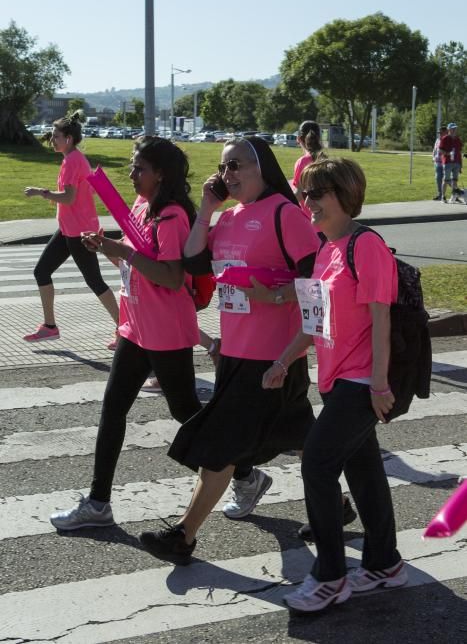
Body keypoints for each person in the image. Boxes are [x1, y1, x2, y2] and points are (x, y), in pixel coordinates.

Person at [138, 136, 320, 564]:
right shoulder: (232, 217)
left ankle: (183, 536)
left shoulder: (285, 214)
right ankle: (339, 503)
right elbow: (195, 262)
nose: (228, 175)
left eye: (237, 166)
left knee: (220, 445)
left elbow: (316, 285)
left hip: (275, 356)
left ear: (263, 169)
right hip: (237, 351)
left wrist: (277, 300)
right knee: (301, 438)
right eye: (223, 168)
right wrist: (206, 208)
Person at [263, 157, 407, 614]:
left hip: (362, 382)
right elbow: (314, 320)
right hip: (334, 378)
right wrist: (283, 361)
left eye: (317, 194)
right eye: (304, 193)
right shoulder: (326, 250)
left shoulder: (366, 246)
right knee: (364, 471)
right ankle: (384, 563)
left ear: (345, 196)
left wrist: (380, 385)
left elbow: (381, 317)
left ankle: (330, 576)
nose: (308, 203)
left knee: (318, 465)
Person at [49, 137, 202, 530]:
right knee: (113, 409)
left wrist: (126, 253)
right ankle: (98, 502)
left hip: (166, 331)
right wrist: (107, 246)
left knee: (185, 412)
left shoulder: (171, 216)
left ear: (161, 174)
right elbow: (136, 252)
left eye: (139, 168)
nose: (132, 174)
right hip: (135, 326)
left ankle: (244, 473)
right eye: (133, 167)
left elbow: (170, 276)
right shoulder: (141, 205)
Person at [23, 113, 119, 345]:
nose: (52, 140)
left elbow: (68, 197)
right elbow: (86, 191)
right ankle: (49, 326)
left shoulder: (72, 161)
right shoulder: (75, 159)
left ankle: (125, 329)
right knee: (41, 272)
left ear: (68, 138)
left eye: (56, 136)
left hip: (80, 232)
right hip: (69, 228)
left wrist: (40, 192)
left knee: (95, 281)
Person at [291, 120, 323, 218]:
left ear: (298, 139)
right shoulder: (325, 158)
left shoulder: (303, 162)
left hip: (310, 220)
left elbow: (299, 194)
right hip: (328, 221)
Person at [439, 122, 463, 203]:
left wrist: (460, 164)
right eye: (452, 128)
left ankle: (454, 196)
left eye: (455, 128)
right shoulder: (445, 138)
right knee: (446, 179)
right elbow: (440, 150)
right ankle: (443, 197)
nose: (454, 130)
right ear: (449, 129)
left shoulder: (458, 139)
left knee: (455, 180)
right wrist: (448, 153)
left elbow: (459, 152)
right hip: (447, 162)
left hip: (456, 162)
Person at [432, 125, 448, 200]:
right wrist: (433, 157)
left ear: (446, 132)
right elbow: (434, 150)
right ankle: (440, 194)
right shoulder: (438, 140)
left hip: (446, 163)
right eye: (439, 132)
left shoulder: (448, 140)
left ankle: (457, 193)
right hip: (438, 163)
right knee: (438, 179)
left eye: (441, 132)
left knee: (449, 180)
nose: (440, 134)